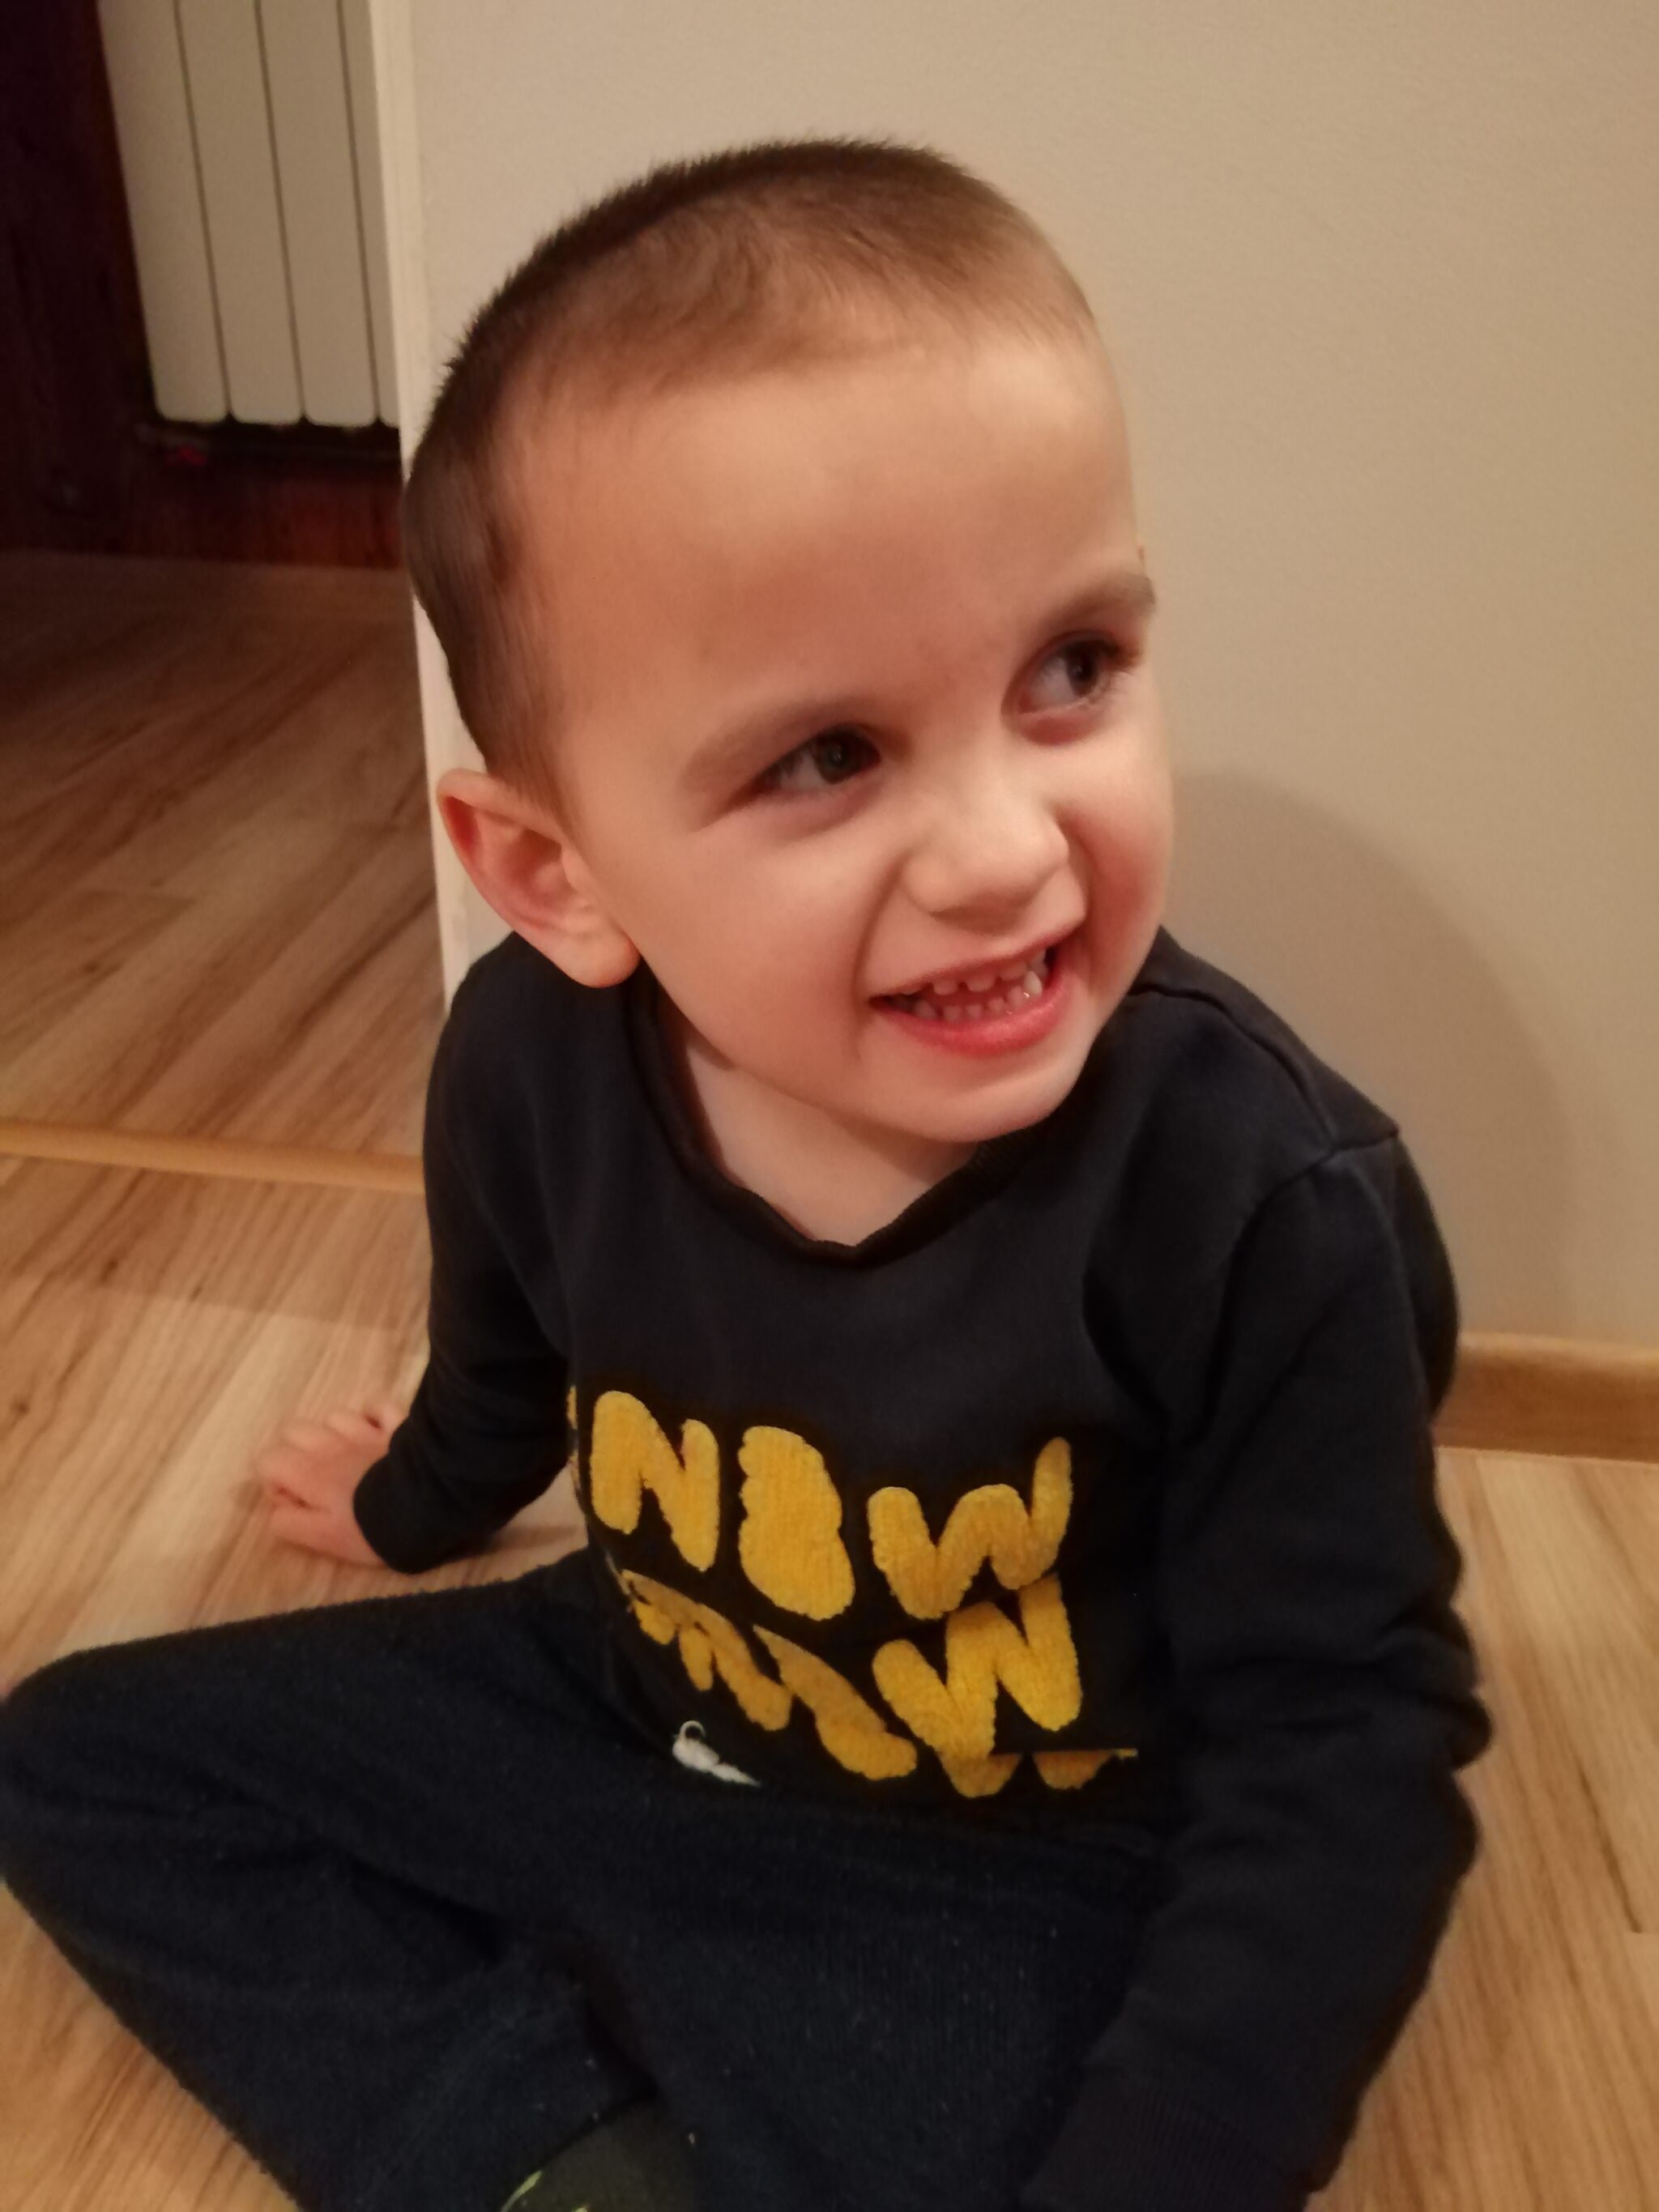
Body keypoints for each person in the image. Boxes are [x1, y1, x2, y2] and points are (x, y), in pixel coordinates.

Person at [0, 135, 1494, 2212]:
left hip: (1024, 1862)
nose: (1006, 848)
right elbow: (508, 1354)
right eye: (826, 755)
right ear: (552, 872)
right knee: (75, 1758)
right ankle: (567, 2153)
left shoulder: (1256, 1192)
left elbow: (1342, 1755)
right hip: (639, 1690)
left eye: (1071, 668)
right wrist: (422, 1496)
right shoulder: (526, 1058)